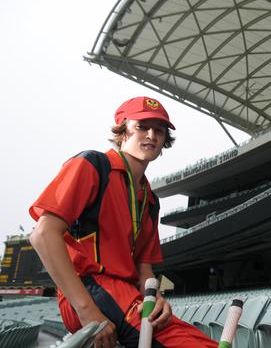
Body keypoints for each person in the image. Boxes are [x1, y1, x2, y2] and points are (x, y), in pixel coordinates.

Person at [29, 97, 217, 348]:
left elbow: (144, 269)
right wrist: (87, 311)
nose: (151, 135)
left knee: (197, 339)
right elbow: (42, 235)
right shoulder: (93, 165)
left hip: (127, 293)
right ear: (123, 130)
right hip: (89, 289)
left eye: (159, 130)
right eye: (142, 127)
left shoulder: (150, 199)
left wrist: (156, 297)